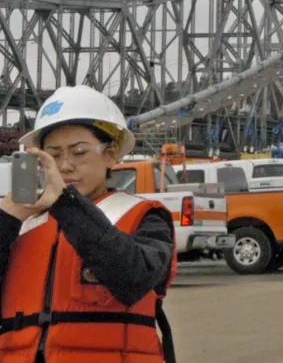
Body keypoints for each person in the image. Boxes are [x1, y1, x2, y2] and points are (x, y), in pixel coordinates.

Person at [0, 85, 178, 363]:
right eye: (54, 155)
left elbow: (134, 278)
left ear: (110, 154)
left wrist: (66, 202)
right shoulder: (23, 223)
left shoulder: (144, 217)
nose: (66, 165)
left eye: (79, 152)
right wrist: (5, 220)